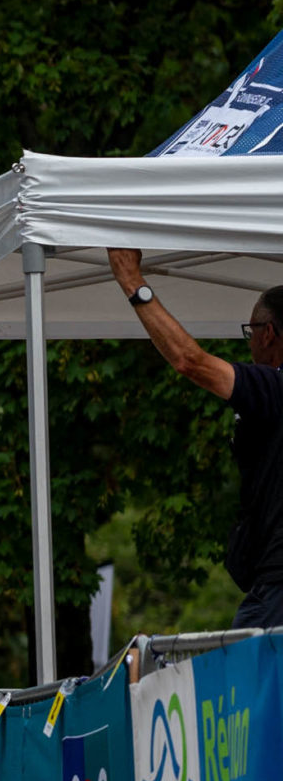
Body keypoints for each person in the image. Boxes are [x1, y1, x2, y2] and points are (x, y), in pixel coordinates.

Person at [111, 252, 283, 626]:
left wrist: (132, 281)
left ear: (268, 333)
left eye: (251, 331)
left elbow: (190, 361)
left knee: (249, 663)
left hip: (277, 585)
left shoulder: (275, 387)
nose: (250, 342)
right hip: (267, 579)